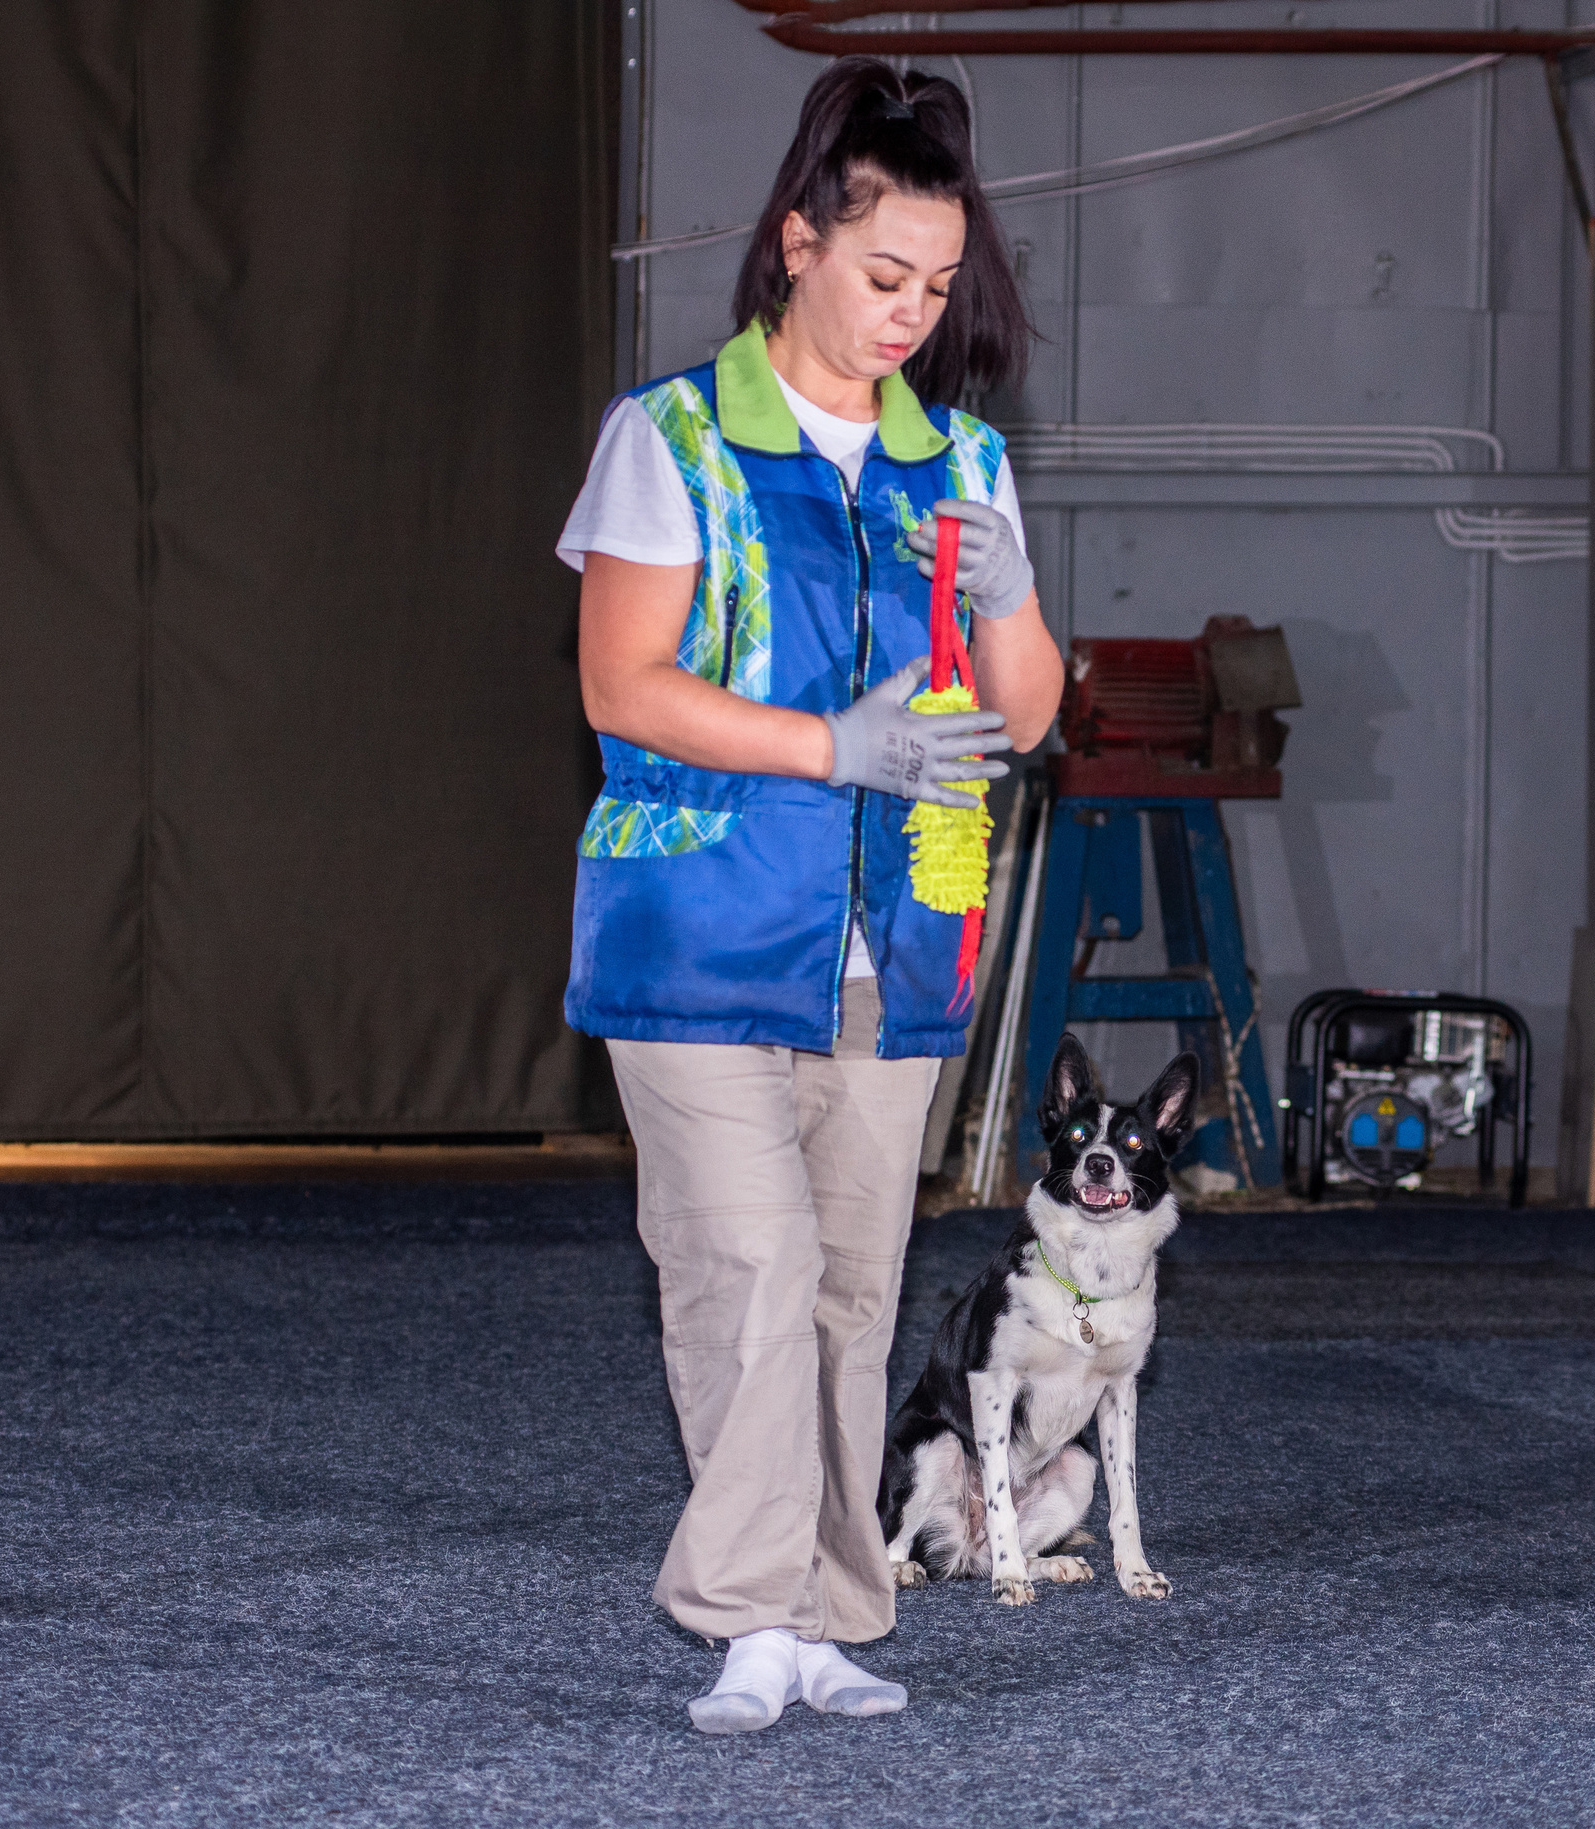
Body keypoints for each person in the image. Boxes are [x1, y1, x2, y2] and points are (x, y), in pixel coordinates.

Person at [554, 58, 1062, 1734]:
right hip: (700, 932)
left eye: (935, 283)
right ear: (796, 244)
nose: (911, 311)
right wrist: (826, 744)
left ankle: (835, 1608)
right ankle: (748, 1610)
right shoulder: (675, 434)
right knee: (748, 1266)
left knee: (854, 1282)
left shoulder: (962, 458)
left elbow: (1029, 713)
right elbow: (622, 685)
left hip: (896, 944)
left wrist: (1003, 598)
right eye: (880, 275)